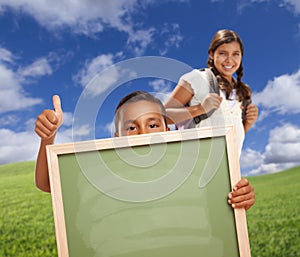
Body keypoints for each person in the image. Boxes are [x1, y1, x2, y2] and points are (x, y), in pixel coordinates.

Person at [34, 91, 255, 210]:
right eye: (131, 127)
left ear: (167, 131)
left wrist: (241, 197)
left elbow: (221, 202)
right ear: (116, 138)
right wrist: (48, 138)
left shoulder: (191, 171)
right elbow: (46, 183)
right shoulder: (104, 173)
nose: (143, 134)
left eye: (152, 125)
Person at [164, 29, 258, 157]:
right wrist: (199, 109)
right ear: (211, 54)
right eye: (223, 53)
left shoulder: (243, 91)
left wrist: (247, 123)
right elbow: (162, 117)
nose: (229, 60)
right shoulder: (196, 79)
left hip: (229, 169)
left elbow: (235, 136)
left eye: (235, 54)